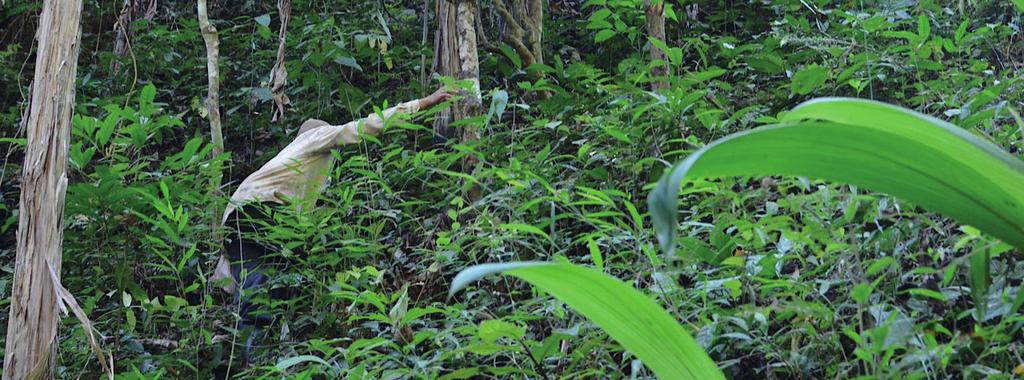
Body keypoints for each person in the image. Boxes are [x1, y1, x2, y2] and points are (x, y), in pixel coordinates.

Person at [211, 86, 454, 361]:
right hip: (264, 210)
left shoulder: (280, 165)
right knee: (264, 295)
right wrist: (421, 103)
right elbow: (362, 127)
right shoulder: (315, 137)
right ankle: (257, 359)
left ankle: (250, 359)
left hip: (239, 217)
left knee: (263, 288)